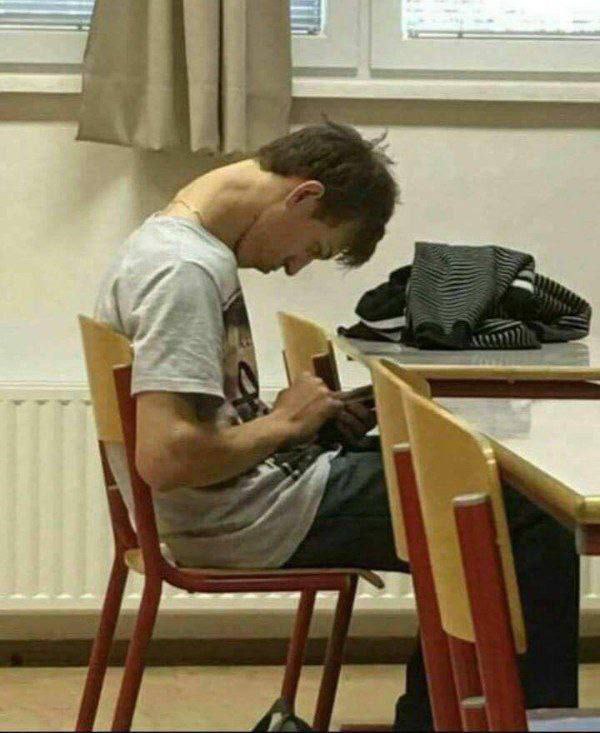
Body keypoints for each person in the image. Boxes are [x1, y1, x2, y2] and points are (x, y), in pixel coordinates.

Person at [94, 121, 578, 730]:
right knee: (520, 514)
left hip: (251, 497)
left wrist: (301, 421)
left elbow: (197, 431)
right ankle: (519, 722)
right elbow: (168, 458)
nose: (294, 267)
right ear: (304, 197)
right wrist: (283, 425)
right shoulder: (182, 272)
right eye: (315, 249)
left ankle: (441, 720)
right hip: (245, 518)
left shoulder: (173, 246)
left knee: (464, 474)